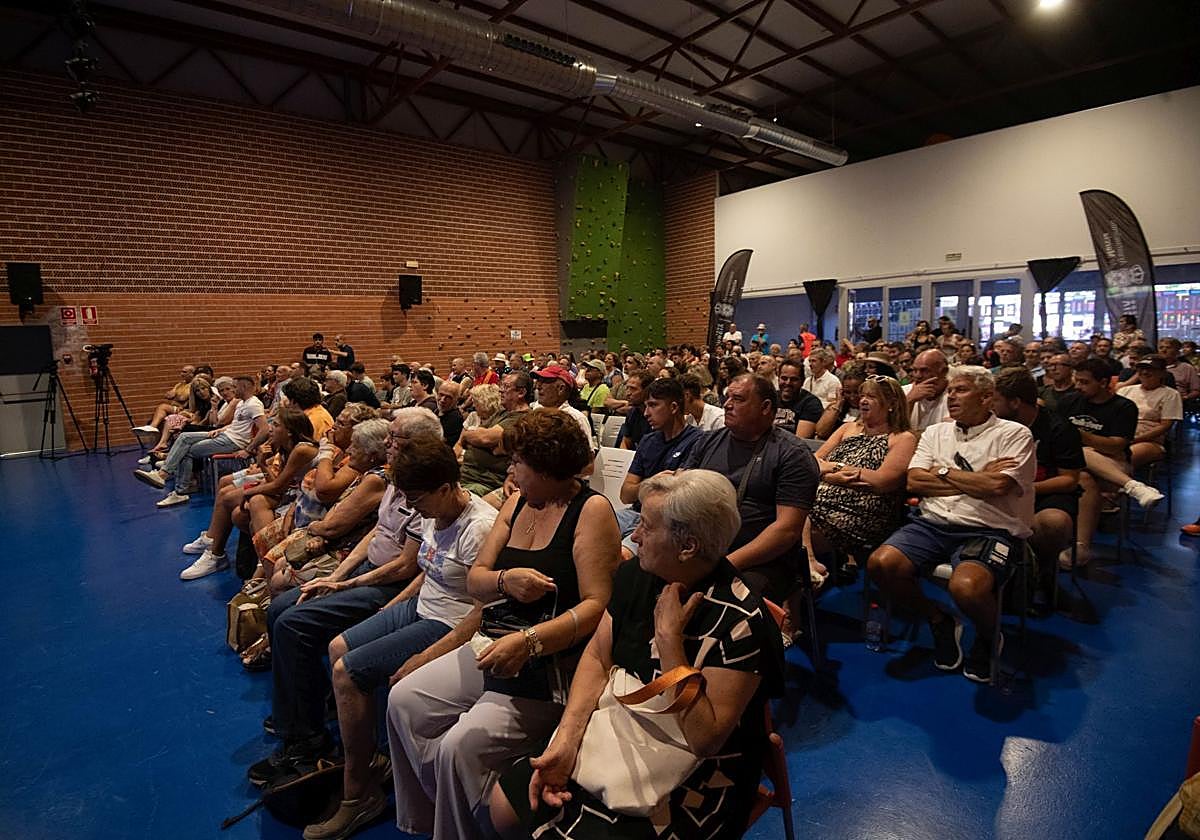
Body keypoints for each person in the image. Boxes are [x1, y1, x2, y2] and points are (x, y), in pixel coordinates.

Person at [490, 470, 783, 840]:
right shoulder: (638, 574)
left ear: (688, 546)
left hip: (701, 771)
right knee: (505, 804)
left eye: (645, 525)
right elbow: (598, 655)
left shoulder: (742, 621)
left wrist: (670, 644)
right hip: (626, 726)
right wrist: (566, 738)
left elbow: (705, 740)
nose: (635, 536)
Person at [385, 410, 620, 840]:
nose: (509, 471)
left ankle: (459, 823)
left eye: (517, 463)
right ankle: (434, 817)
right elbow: (477, 582)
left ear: (547, 469)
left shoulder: (591, 511)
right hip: (492, 640)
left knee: (458, 748)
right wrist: (503, 580)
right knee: (404, 701)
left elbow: (596, 606)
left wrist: (530, 640)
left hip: (549, 662)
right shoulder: (515, 502)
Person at [303, 439, 498, 840]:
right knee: (339, 645)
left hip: (451, 622)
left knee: (347, 673)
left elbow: (482, 611)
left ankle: (358, 795)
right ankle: (373, 755)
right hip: (422, 605)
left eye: (417, 499)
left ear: (446, 487)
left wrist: (425, 655)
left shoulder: (479, 528)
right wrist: (388, 610)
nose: (413, 508)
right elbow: (428, 569)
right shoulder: (433, 511)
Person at [248, 410, 443, 787]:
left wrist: (348, 585)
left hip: (388, 586)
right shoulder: (393, 477)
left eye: (395, 438)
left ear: (419, 444)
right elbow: (377, 535)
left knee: (294, 623)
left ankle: (305, 740)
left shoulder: (427, 486)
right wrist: (337, 576)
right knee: (281, 606)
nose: (387, 444)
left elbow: (406, 566)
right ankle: (309, 705)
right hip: (365, 569)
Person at [868, 367, 1035, 683]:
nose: (951, 397)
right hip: (932, 523)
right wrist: (977, 477)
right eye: (951, 391)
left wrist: (942, 472)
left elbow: (999, 486)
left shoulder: (1013, 434)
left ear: (986, 397)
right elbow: (915, 480)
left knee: (966, 587)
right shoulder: (935, 433)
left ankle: (989, 636)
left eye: (961, 390)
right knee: (880, 564)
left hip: (990, 527)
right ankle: (939, 618)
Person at [680, 373, 818, 601]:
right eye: (727, 397)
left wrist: (726, 564)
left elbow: (786, 531)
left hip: (759, 560)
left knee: (724, 599)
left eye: (738, 399)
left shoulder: (792, 455)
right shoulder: (707, 442)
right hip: (701, 547)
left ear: (765, 407)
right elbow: (683, 491)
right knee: (640, 573)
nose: (727, 404)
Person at [179, 406, 318, 580]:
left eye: (275, 424)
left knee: (233, 498)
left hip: (302, 498)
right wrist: (262, 463)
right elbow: (277, 481)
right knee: (237, 513)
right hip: (291, 493)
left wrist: (248, 492)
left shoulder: (302, 449)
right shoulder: (285, 448)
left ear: (289, 431)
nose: (270, 428)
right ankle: (215, 547)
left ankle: (218, 552)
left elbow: (279, 486)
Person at [807, 375, 915, 582]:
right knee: (788, 512)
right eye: (862, 395)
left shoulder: (903, 438)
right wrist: (840, 474)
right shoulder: (847, 428)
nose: (863, 401)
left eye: (872, 396)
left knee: (791, 522)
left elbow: (882, 481)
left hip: (864, 511)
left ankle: (807, 571)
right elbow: (812, 462)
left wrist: (829, 470)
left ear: (892, 404)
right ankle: (809, 566)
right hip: (820, 499)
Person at [1054, 358, 1159, 568]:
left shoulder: (1124, 407)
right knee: (1084, 477)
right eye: (1077, 381)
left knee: (1085, 453)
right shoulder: (1069, 402)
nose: (1078, 387)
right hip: (1076, 465)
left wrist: (1080, 436)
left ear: (1103, 383)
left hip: (1113, 464)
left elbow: (1116, 446)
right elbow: (1057, 437)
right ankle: (1082, 546)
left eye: (1085, 382)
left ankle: (1081, 545)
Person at [991, 366, 1082, 604]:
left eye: (996, 400)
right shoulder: (994, 426)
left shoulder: (1059, 428)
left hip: (1044, 490)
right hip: (999, 488)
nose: (990, 405)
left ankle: (1042, 571)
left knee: (1054, 523)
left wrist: (1024, 487)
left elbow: (1069, 479)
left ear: (1015, 403)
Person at [133, 374, 265, 504]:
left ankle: (173, 484)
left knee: (186, 450)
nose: (232, 390)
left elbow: (264, 429)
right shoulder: (242, 403)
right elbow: (236, 424)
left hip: (233, 441)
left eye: (234, 387)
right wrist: (220, 429)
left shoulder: (253, 404)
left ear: (243, 387)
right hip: (226, 434)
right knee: (184, 437)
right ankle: (169, 479)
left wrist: (248, 450)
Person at [617, 378, 703, 540]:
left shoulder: (698, 442)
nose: (646, 413)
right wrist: (652, 483)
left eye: (653, 405)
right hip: (633, 513)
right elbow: (625, 494)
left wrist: (641, 487)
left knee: (620, 553)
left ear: (673, 407)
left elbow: (676, 498)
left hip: (664, 521)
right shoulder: (647, 441)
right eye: (646, 405)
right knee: (585, 533)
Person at [459, 372, 531, 496]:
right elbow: (480, 435)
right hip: (465, 475)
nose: (500, 391)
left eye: (506, 387)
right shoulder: (502, 412)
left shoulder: (522, 419)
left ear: (521, 393)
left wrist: (469, 436)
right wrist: (474, 436)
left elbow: (484, 438)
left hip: (484, 482)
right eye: (501, 386)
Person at [1117, 355, 1182, 469]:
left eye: (1151, 369)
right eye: (1141, 369)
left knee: (1121, 459)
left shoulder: (1170, 394)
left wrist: (1134, 440)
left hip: (1149, 441)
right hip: (1118, 437)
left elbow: (1165, 426)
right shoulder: (1125, 390)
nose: (1145, 372)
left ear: (1162, 373)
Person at [531, 365, 594, 451]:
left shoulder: (576, 418)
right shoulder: (535, 412)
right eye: (538, 381)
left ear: (561, 389)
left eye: (544, 381)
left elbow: (588, 459)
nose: (538, 386)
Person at [903, 349, 951, 435]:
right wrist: (909, 401)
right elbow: (893, 432)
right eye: (914, 370)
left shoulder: (954, 397)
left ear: (944, 371)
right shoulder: (903, 392)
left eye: (924, 370)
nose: (918, 376)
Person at [774, 359, 823, 438]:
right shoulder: (770, 397)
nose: (788, 383)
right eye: (784, 378)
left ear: (802, 381)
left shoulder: (811, 403)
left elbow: (800, 441)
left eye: (794, 379)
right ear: (778, 378)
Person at [1161, 337, 1200, 402]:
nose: (1163, 350)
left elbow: (1196, 390)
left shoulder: (1187, 367)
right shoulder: (1153, 367)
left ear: (1177, 351)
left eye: (1168, 348)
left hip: (1179, 401)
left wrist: (1185, 398)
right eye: (1161, 347)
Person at [436, 380, 464, 447]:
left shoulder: (455, 419)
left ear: (457, 400)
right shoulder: (436, 410)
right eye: (441, 394)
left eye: (448, 397)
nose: (442, 400)